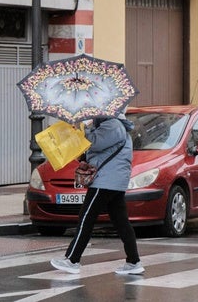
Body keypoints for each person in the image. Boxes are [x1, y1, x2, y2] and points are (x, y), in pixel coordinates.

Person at [50, 110, 144, 275]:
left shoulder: (113, 125)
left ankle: (72, 260)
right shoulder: (109, 125)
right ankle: (133, 261)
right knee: (121, 222)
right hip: (112, 181)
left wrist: (81, 128)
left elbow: (93, 143)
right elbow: (96, 150)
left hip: (106, 181)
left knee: (86, 217)